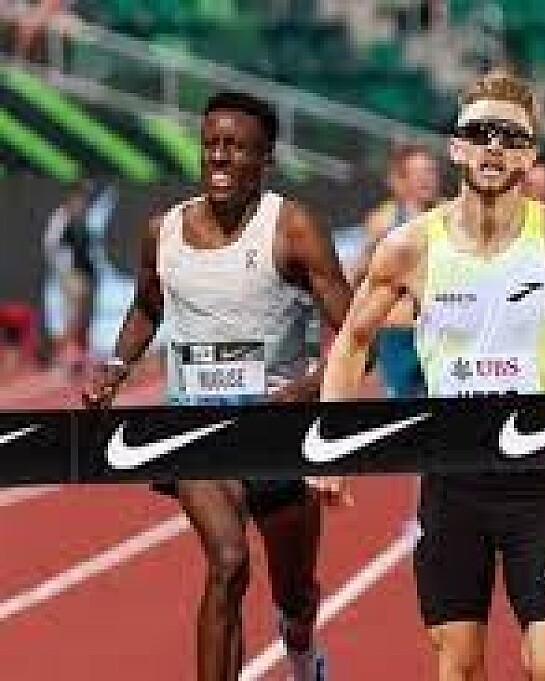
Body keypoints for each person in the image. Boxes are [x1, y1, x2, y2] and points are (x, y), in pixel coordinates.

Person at [321, 68, 545, 681]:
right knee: (459, 667)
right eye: (479, 133)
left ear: (530, 155)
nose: (493, 147)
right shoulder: (411, 245)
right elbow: (352, 341)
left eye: (510, 137)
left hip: (538, 480)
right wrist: (332, 448)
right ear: (456, 148)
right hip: (452, 480)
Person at [84, 91, 354, 681]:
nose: (220, 158)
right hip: (196, 424)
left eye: (236, 147)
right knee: (228, 561)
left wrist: (310, 388)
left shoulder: (293, 227)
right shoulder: (163, 231)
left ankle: (301, 648)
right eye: (211, 144)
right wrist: (117, 365)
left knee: (295, 592)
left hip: (278, 429)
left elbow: (354, 332)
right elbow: (147, 307)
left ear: (266, 158)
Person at [352, 142, 440, 398]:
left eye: (431, 171)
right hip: (398, 332)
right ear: (401, 180)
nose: (427, 179)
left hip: (440, 329)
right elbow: (360, 274)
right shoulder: (384, 222)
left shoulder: (451, 216)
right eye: (419, 173)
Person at [44, 180, 99, 373]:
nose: (83, 202)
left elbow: (87, 248)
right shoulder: (61, 218)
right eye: (80, 197)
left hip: (85, 273)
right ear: (72, 197)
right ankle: (63, 359)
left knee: (84, 317)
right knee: (72, 317)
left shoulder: (82, 219)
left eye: (85, 198)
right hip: (71, 274)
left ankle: (81, 357)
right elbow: (51, 247)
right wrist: (65, 272)